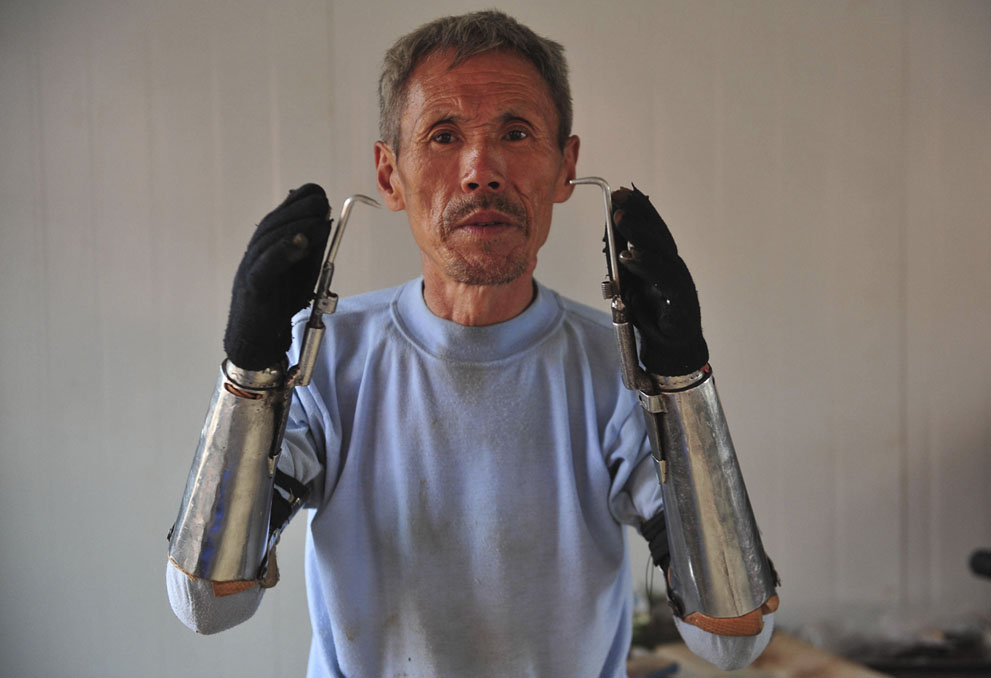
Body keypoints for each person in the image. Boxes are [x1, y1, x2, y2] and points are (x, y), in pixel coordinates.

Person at [166, 10, 777, 677]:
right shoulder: (327, 360)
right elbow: (207, 605)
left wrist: (684, 384)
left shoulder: (617, 369)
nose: (481, 169)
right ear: (389, 174)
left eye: (515, 133)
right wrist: (250, 375)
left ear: (564, 167)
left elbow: (731, 639)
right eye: (443, 135)